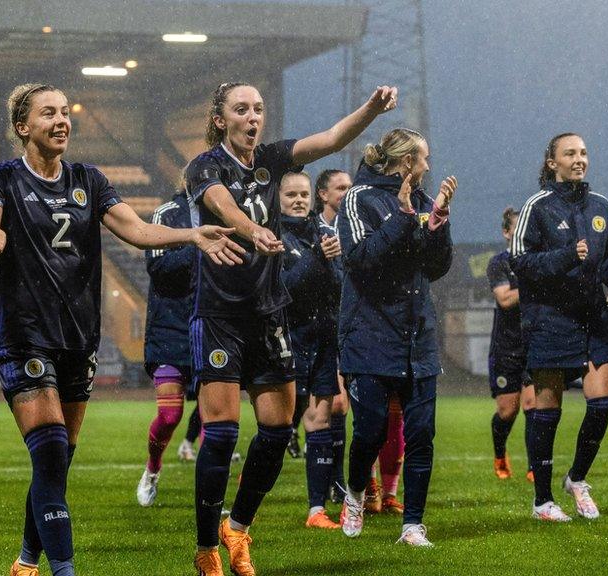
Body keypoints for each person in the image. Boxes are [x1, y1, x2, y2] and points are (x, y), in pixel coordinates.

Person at [0, 83, 243, 576]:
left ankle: (26, 562)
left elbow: (137, 231)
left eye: (65, 111)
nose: (62, 120)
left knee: (57, 462)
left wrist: (191, 234)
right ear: (22, 127)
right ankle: (65, 569)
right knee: (52, 448)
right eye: (48, 113)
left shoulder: (88, 180)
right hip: (25, 335)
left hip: (79, 337)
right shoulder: (3, 177)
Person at [187, 81, 396, 576]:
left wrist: (370, 108)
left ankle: (237, 528)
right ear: (221, 119)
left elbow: (331, 139)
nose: (253, 116)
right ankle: (205, 549)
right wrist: (251, 229)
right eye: (242, 109)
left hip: (267, 312)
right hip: (218, 314)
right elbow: (221, 204)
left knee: (278, 430)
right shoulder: (204, 166)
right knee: (220, 433)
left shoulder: (274, 158)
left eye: (258, 108)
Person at [337, 127, 457, 547]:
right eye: (423, 158)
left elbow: (437, 268)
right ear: (406, 161)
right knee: (369, 433)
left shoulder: (426, 201)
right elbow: (360, 260)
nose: (428, 165)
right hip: (370, 338)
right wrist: (403, 218)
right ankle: (354, 494)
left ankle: (413, 524)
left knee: (422, 435)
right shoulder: (358, 198)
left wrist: (437, 224)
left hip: (418, 338)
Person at [510, 132, 608, 522]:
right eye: (570, 153)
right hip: (550, 319)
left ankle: (577, 479)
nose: (579, 159)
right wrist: (566, 255)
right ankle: (543, 501)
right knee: (548, 410)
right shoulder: (538, 206)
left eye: (583, 152)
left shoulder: (602, 206)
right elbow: (520, 262)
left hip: (593, 318)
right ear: (553, 163)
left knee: (601, 404)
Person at [278, 170, 344, 529]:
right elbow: (285, 288)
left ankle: (316, 510)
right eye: (291, 195)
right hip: (291, 341)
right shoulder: (274, 236)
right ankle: (250, 493)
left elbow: (338, 288)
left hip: (323, 340)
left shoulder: (325, 235)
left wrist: (332, 262)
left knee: (320, 418)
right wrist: (318, 257)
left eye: (303, 194)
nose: (299, 200)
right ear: (279, 199)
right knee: (277, 424)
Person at [137, 189, 197, 507]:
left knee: (217, 421)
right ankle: (153, 468)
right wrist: (198, 242)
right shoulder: (168, 214)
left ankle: (212, 497)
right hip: (170, 331)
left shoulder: (230, 211)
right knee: (171, 415)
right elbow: (159, 268)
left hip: (213, 327)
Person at [487, 208, 536, 481]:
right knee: (508, 411)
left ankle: (534, 467)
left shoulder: (537, 261)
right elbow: (505, 299)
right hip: (506, 348)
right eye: (517, 229)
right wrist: (535, 282)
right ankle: (499, 453)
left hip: (533, 344)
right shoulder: (499, 264)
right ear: (507, 233)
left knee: (532, 405)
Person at [314, 169, 354, 504]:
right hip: (319, 329)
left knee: (341, 407)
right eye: (340, 188)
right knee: (331, 406)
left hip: (348, 328)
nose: (346, 192)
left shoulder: (352, 229)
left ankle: (337, 482)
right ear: (323, 195)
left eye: (350, 187)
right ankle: (330, 483)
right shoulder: (316, 231)